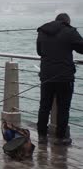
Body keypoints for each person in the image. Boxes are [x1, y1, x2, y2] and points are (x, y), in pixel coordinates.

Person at [36, 13, 83, 145]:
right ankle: (61, 138)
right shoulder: (70, 31)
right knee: (63, 107)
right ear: (67, 22)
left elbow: (39, 52)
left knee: (44, 106)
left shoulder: (43, 31)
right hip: (64, 76)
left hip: (46, 75)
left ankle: (42, 136)